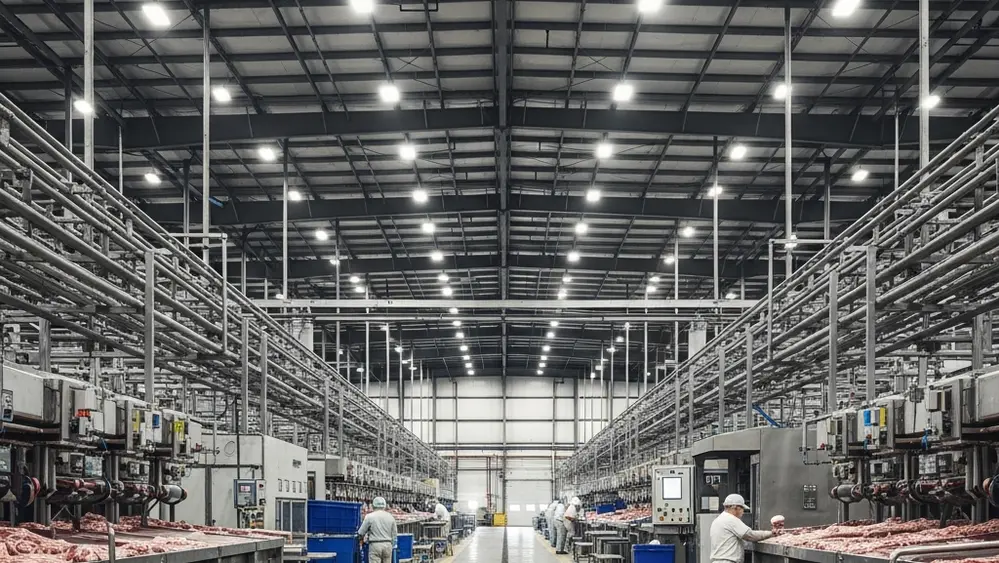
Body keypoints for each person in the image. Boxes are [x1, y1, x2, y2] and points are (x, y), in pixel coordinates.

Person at [709, 494, 776, 563]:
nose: (743, 512)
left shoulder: (718, 520)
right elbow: (750, 535)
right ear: (735, 507)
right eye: (742, 509)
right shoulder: (730, 519)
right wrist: (771, 533)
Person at [358, 497, 398, 563]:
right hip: (387, 545)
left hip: (375, 545)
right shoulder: (390, 517)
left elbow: (361, 532)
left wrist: (361, 539)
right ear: (384, 505)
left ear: (373, 505)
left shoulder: (370, 516)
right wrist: (392, 545)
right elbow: (394, 534)